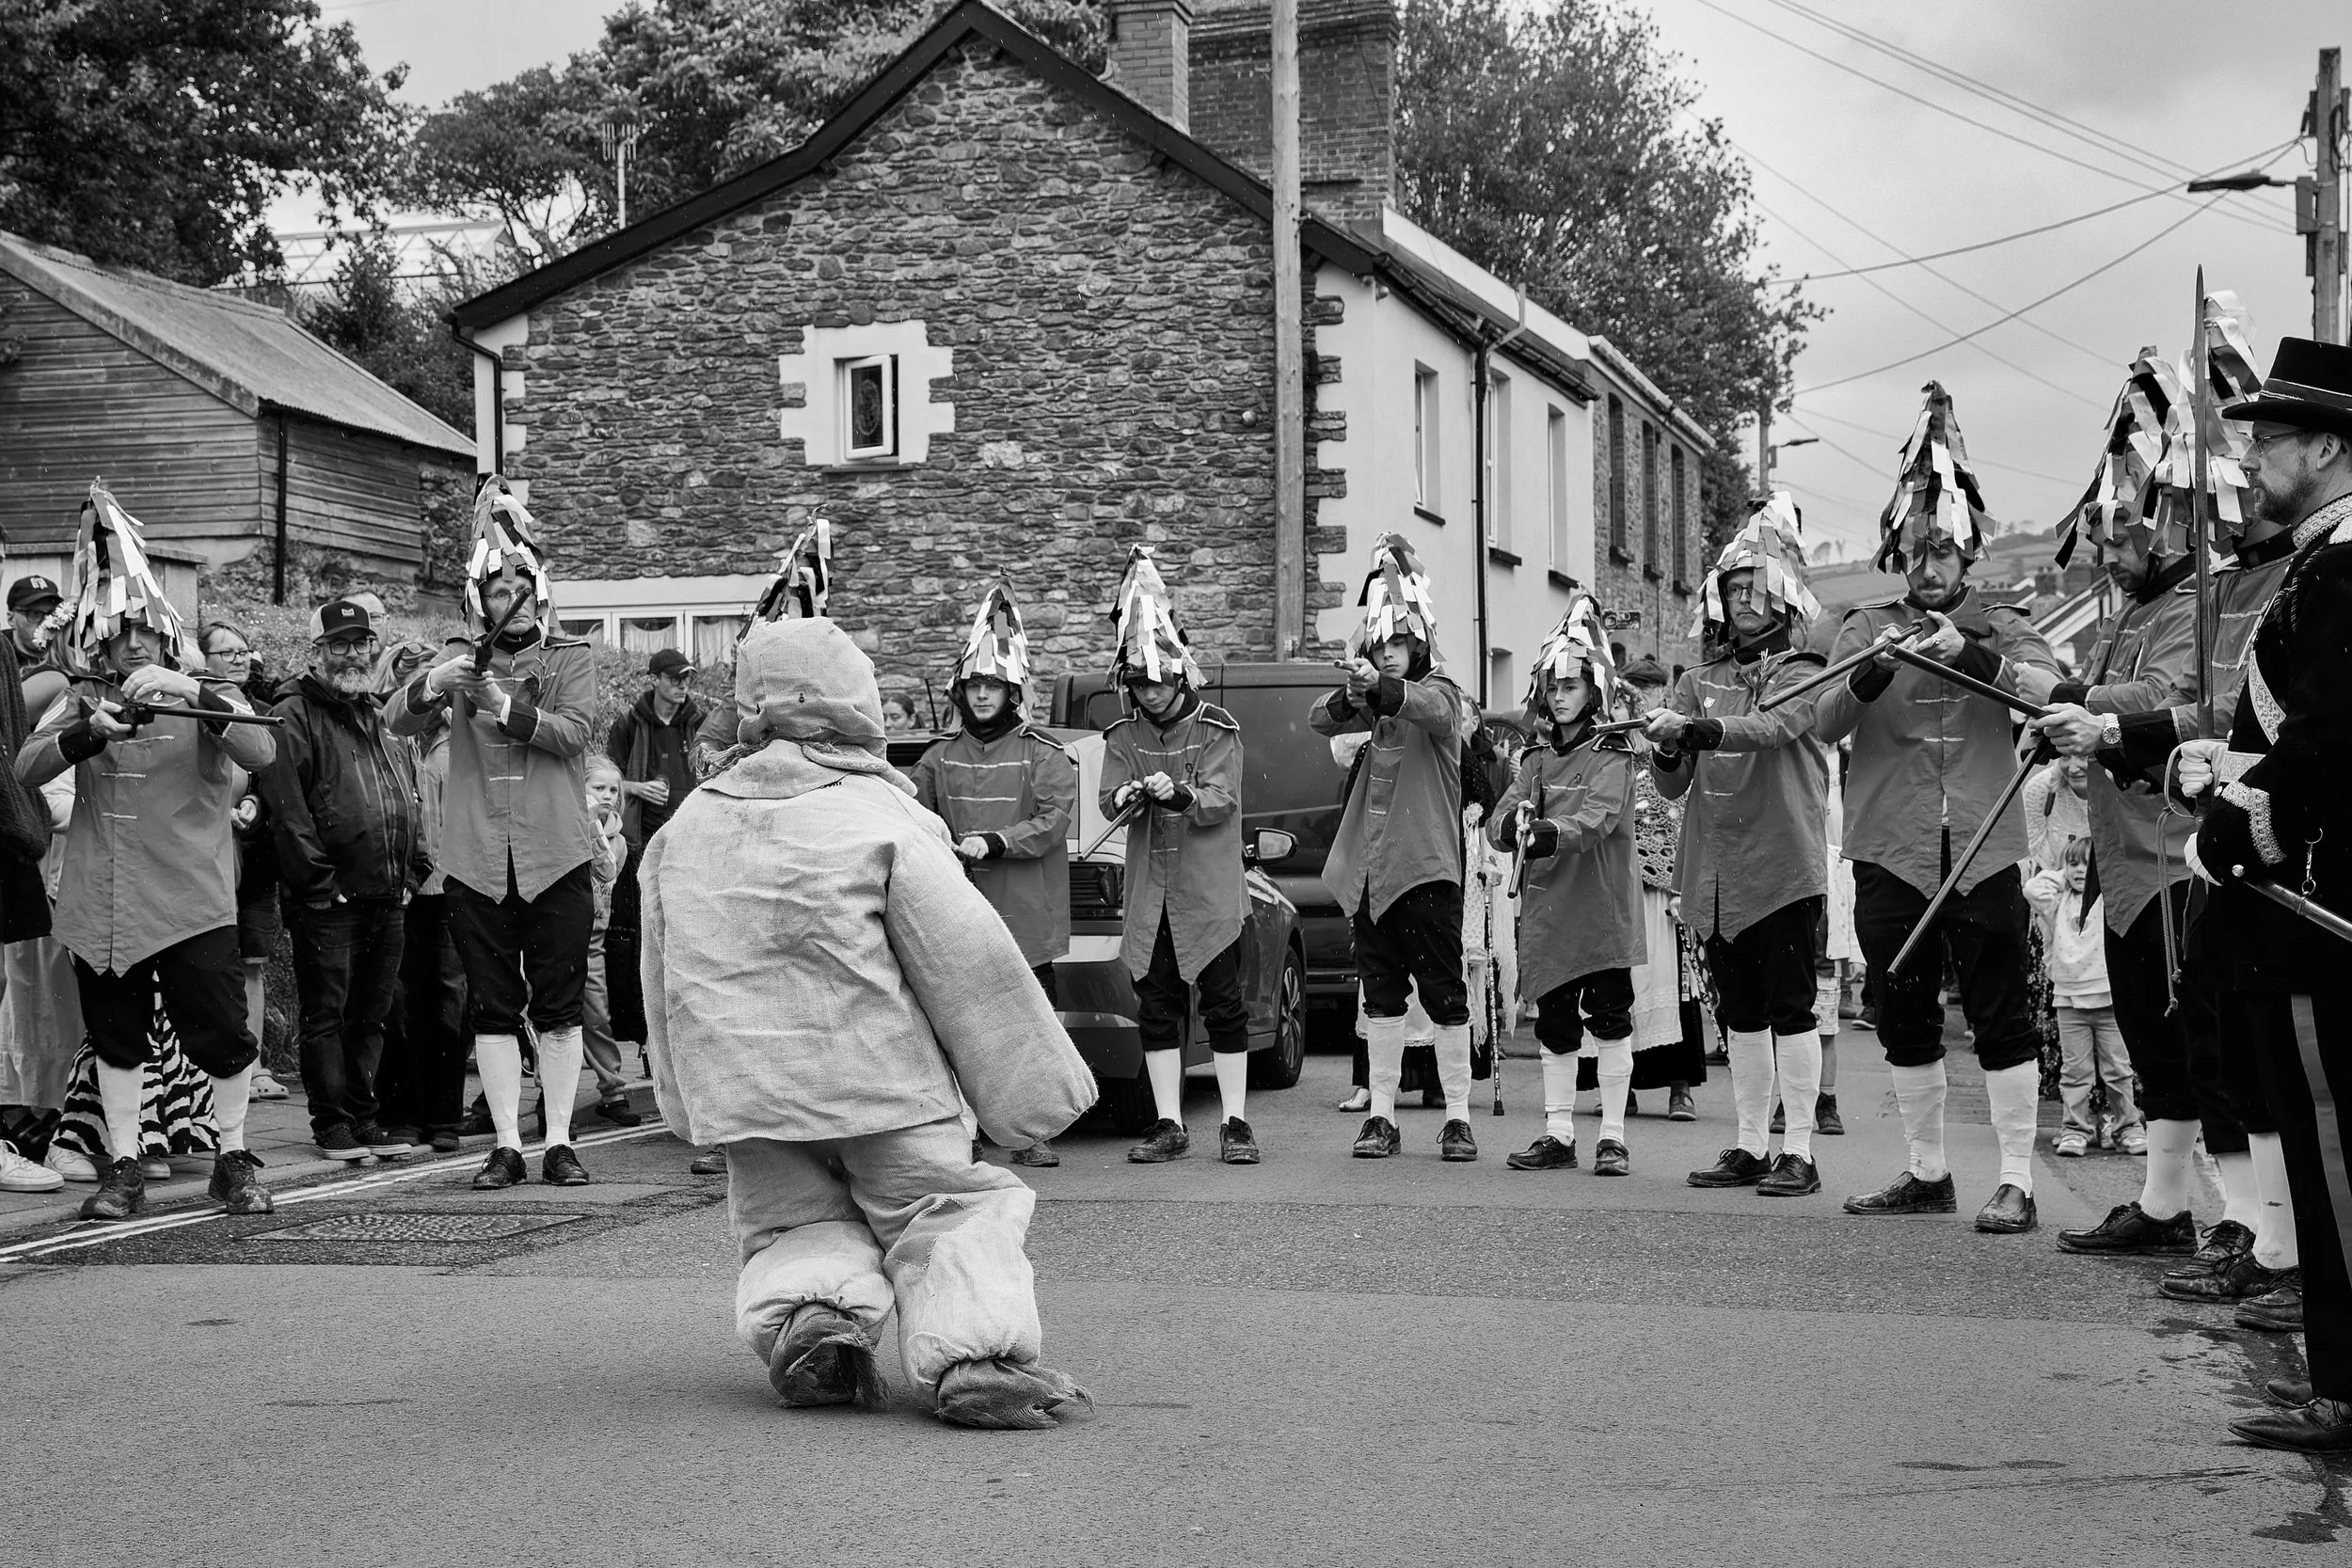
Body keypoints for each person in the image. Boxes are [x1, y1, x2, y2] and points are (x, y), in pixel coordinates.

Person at [640, 615, 1095, 1427]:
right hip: (882, 1080)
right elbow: (967, 962)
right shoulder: (882, 817)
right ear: (858, 706)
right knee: (942, 1209)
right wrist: (1029, 1090)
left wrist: (684, 1098)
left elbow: (660, 975)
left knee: (792, 1219)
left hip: (751, 1093)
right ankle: (975, 1355)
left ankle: (816, 1320)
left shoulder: (686, 829)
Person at [2035, 337, 2300, 1307]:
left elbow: (2192, 702)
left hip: (2196, 848)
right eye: (2102, 532)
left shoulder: (2221, 589)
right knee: (2168, 1042)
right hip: (2139, 848)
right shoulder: (2153, 602)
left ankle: (2257, 1230)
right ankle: (2172, 1204)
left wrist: (2096, 713)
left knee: (2230, 1051)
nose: (2110, 546)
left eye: (2129, 526)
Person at [2162, 336, 2352, 1452]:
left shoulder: (2342, 569)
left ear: (2326, 444)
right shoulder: (2319, 560)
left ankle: (2346, 1381)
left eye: (2271, 438)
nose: (2254, 459)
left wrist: (2243, 825)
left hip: (2317, 902)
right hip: (2297, 893)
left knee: (2331, 1143)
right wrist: (2217, 773)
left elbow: (2331, 737)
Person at [1813, 388, 2062, 1233]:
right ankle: (1928, 1171)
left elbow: (2048, 692)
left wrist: (1977, 657)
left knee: (2000, 1014)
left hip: (1986, 847)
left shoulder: (2004, 623)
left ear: (1968, 553)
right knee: (1904, 1012)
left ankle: (2019, 1178)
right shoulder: (1863, 625)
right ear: (1897, 554)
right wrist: (1872, 672)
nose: (1929, 565)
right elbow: (1818, 720)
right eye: (1916, 550)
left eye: (1944, 549)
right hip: (1890, 848)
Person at [15, 482, 276, 1218]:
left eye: (145, 630)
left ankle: (232, 1155)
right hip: (103, 902)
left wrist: (194, 687)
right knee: (116, 1041)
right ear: (102, 636)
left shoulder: (198, 689)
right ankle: (124, 1165)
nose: (133, 642)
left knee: (223, 1037)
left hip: (192, 900)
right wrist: (88, 730)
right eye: (121, 630)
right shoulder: (84, 693)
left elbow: (260, 750)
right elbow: (28, 768)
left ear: (165, 633)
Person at [388, 477, 598, 1190]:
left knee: (561, 1006)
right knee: (494, 1006)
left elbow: (573, 733)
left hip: (558, 856)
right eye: (497, 578)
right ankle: (507, 1143)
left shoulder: (570, 655)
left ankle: (561, 1138)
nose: (511, 589)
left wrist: (506, 708)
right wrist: (433, 683)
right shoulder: (456, 657)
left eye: (521, 577)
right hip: (477, 860)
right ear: (479, 593)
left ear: (539, 589)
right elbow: (399, 720)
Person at [1647, 497, 1835, 1198]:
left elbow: (1770, 728)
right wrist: (1667, 745)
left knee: (1791, 1011)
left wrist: (1695, 730)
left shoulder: (1803, 667)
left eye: (1754, 586)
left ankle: (1801, 1149)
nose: (1742, 598)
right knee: (1740, 1016)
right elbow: (1671, 786)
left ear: (1782, 594)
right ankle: (1752, 1142)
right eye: (1731, 587)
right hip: (1717, 873)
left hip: (1782, 867)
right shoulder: (1698, 680)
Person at [1311, 535, 1476, 1162]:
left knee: (1445, 995)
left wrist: (1380, 688)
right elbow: (1317, 721)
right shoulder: (1375, 698)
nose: (1388, 654)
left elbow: (1433, 710)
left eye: (1398, 643)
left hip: (1428, 870)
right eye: (1379, 645)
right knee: (1380, 997)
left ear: (1418, 643)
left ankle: (1457, 1115)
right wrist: (1354, 692)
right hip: (1374, 874)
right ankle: (1382, 1114)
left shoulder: (1441, 690)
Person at [911, 583, 1077, 1167]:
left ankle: (1035, 1130)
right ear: (962, 692)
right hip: (957, 909)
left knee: (1030, 1025)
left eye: (992, 686)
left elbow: (1053, 823)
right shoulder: (936, 757)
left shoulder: (1046, 752)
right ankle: (969, 1128)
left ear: (1011, 692)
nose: (982, 695)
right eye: (974, 686)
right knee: (962, 1023)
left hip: (1027, 911)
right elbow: (916, 823)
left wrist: (995, 841)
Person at [255, 597, 424, 1163]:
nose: (352, 654)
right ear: (316, 652)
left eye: (360, 643)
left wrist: (414, 869)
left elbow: (406, 790)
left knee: (370, 1015)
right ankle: (331, 1125)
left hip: (388, 891)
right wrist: (321, 885)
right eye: (339, 644)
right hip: (330, 897)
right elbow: (287, 810)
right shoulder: (293, 711)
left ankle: (363, 1118)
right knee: (327, 1015)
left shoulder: (375, 710)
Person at [1101, 546, 1254, 1164]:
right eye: (1138, 681)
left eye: (1158, 679)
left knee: (1223, 1005)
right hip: (1150, 894)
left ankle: (1236, 1122)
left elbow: (1222, 799)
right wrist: (1130, 793)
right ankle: (1170, 1122)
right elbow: (1108, 803)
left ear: (1178, 672)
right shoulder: (1122, 736)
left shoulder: (1217, 729)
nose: (1150, 690)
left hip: (1208, 894)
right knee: (1157, 1006)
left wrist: (1181, 791)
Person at [1493, 599, 1643, 1174]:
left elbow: (1600, 818)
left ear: (1593, 690)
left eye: (1573, 685)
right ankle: (1558, 1133)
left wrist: (1546, 830)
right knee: (1554, 1026)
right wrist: (1511, 825)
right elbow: (1502, 821)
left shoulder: (1614, 753)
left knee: (1610, 1020)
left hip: (1601, 909)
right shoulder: (1532, 759)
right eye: (1553, 686)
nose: (1560, 696)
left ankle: (1611, 1135)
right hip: (1549, 912)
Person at [373, 638, 469, 1153]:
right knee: (399, 1000)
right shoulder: (387, 737)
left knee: (449, 1000)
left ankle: (444, 1116)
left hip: (452, 884)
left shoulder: (462, 737)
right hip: (400, 884)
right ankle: (402, 1112)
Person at [197, 621, 290, 1102]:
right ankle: (207, 1079)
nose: (238, 659)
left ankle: (254, 1069)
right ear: (202, 658)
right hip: (200, 861)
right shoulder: (188, 704)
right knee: (207, 966)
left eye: (243, 650)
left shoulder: (260, 710)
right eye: (225, 651)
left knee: (251, 965)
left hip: (251, 860)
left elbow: (269, 775)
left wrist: (253, 805)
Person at [1613, 657, 1706, 1120]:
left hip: (1665, 888)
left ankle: (1679, 1087)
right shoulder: (1612, 744)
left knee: (1674, 984)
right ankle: (1619, 1086)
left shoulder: (1672, 741)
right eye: (1631, 692)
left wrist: (1682, 885)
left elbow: (1686, 811)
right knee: (1619, 984)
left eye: (1646, 693)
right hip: (1619, 885)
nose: (1638, 701)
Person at [605, 646, 706, 1045]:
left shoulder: (699, 722)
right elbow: (603, 778)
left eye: (687, 679)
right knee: (643, 934)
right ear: (654, 680)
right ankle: (643, 1027)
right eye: (676, 678)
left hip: (691, 841)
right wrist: (635, 787)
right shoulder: (629, 723)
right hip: (639, 844)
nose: (683, 686)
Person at [578, 757, 644, 1128]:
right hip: (561, 935)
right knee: (557, 1018)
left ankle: (612, 1091)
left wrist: (593, 828)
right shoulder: (567, 827)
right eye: (597, 788)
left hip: (595, 938)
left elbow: (604, 869)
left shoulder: (616, 843)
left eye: (613, 789)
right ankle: (546, 1096)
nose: (606, 796)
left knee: (597, 1014)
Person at [7, 572, 63, 671]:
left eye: (52, 613)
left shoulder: (68, 654)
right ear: (11, 619)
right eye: (35, 613)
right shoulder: (4, 656)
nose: (46, 622)